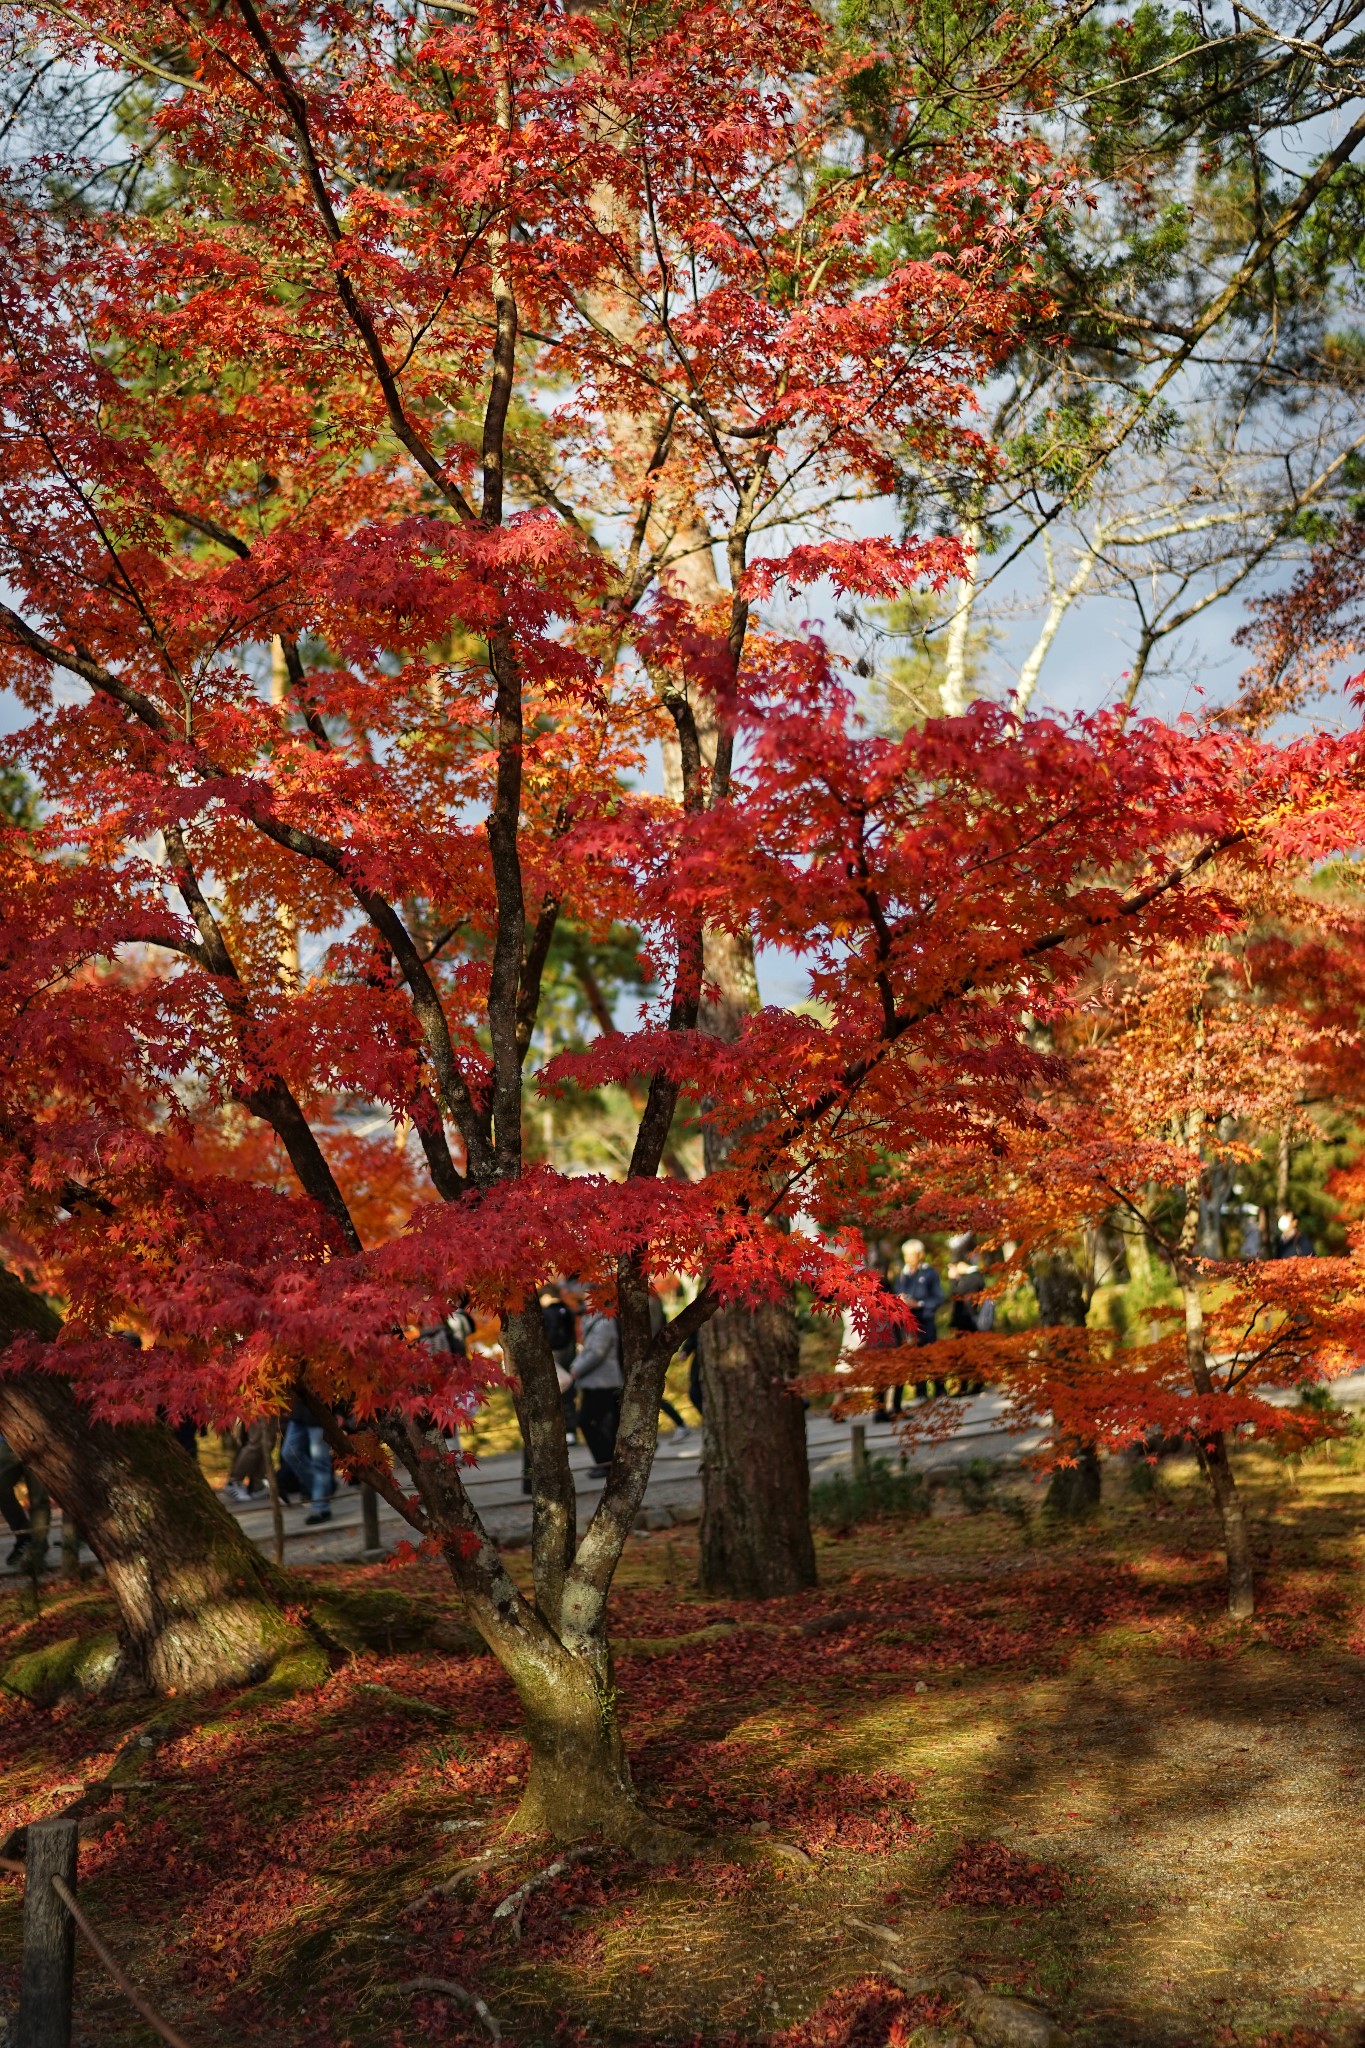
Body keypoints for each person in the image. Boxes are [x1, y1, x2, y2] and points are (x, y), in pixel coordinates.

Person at [885, 1237, 945, 1411]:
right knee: (915, 1359)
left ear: (921, 1255)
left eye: (911, 1256)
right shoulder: (902, 1275)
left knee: (931, 1356)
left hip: (925, 1321)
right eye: (906, 1256)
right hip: (908, 1324)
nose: (908, 1259)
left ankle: (940, 1392)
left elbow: (939, 1297)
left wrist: (919, 1304)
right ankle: (921, 1393)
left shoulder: (929, 1273)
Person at [568, 1302, 623, 1479]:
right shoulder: (593, 1321)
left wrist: (576, 1369)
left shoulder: (605, 1322)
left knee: (591, 1421)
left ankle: (606, 1461)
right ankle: (606, 1461)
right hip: (594, 1380)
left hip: (603, 1381)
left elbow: (596, 1353)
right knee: (600, 1422)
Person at [282, 1390, 335, 1525]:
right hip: (299, 1412)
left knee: (320, 1462)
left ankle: (320, 1508)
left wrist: (340, 1412)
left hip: (321, 1413)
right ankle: (325, 1488)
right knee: (289, 1453)